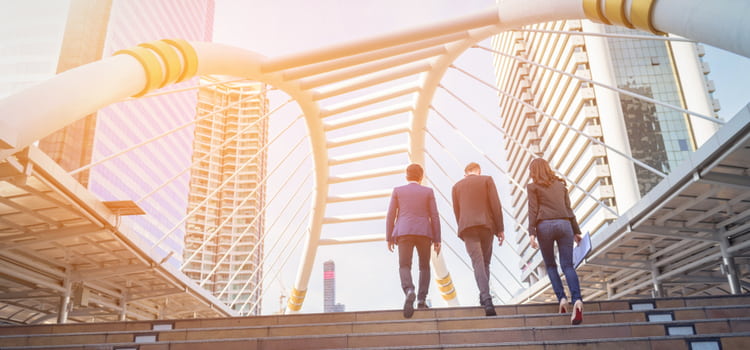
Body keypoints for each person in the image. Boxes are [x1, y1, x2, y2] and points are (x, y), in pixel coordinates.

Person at [527, 158, 584, 325]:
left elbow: (533, 209)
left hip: (545, 226)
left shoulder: (533, 187)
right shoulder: (561, 185)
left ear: (533, 172)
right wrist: (576, 231)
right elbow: (569, 209)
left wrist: (532, 233)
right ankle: (577, 299)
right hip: (565, 224)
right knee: (568, 266)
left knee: (551, 265)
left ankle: (562, 299)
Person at [386, 163, 441, 318]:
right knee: (424, 266)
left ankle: (409, 290)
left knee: (404, 265)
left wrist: (389, 236)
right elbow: (434, 215)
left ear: (406, 176)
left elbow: (391, 214)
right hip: (424, 232)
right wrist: (437, 239)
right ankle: (422, 300)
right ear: (421, 177)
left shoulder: (398, 191)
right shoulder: (428, 191)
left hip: (403, 232)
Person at [451, 162, 504, 316]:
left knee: (477, 262)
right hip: (486, 225)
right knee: (485, 262)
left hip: (467, 228)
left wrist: (463, 228)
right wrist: (500, 229)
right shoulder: (487, 180)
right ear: (478, 171)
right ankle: (486, 297)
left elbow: (457, 212)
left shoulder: (456, 187)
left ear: (465, 172)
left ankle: (485, 297)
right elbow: (496, 205)